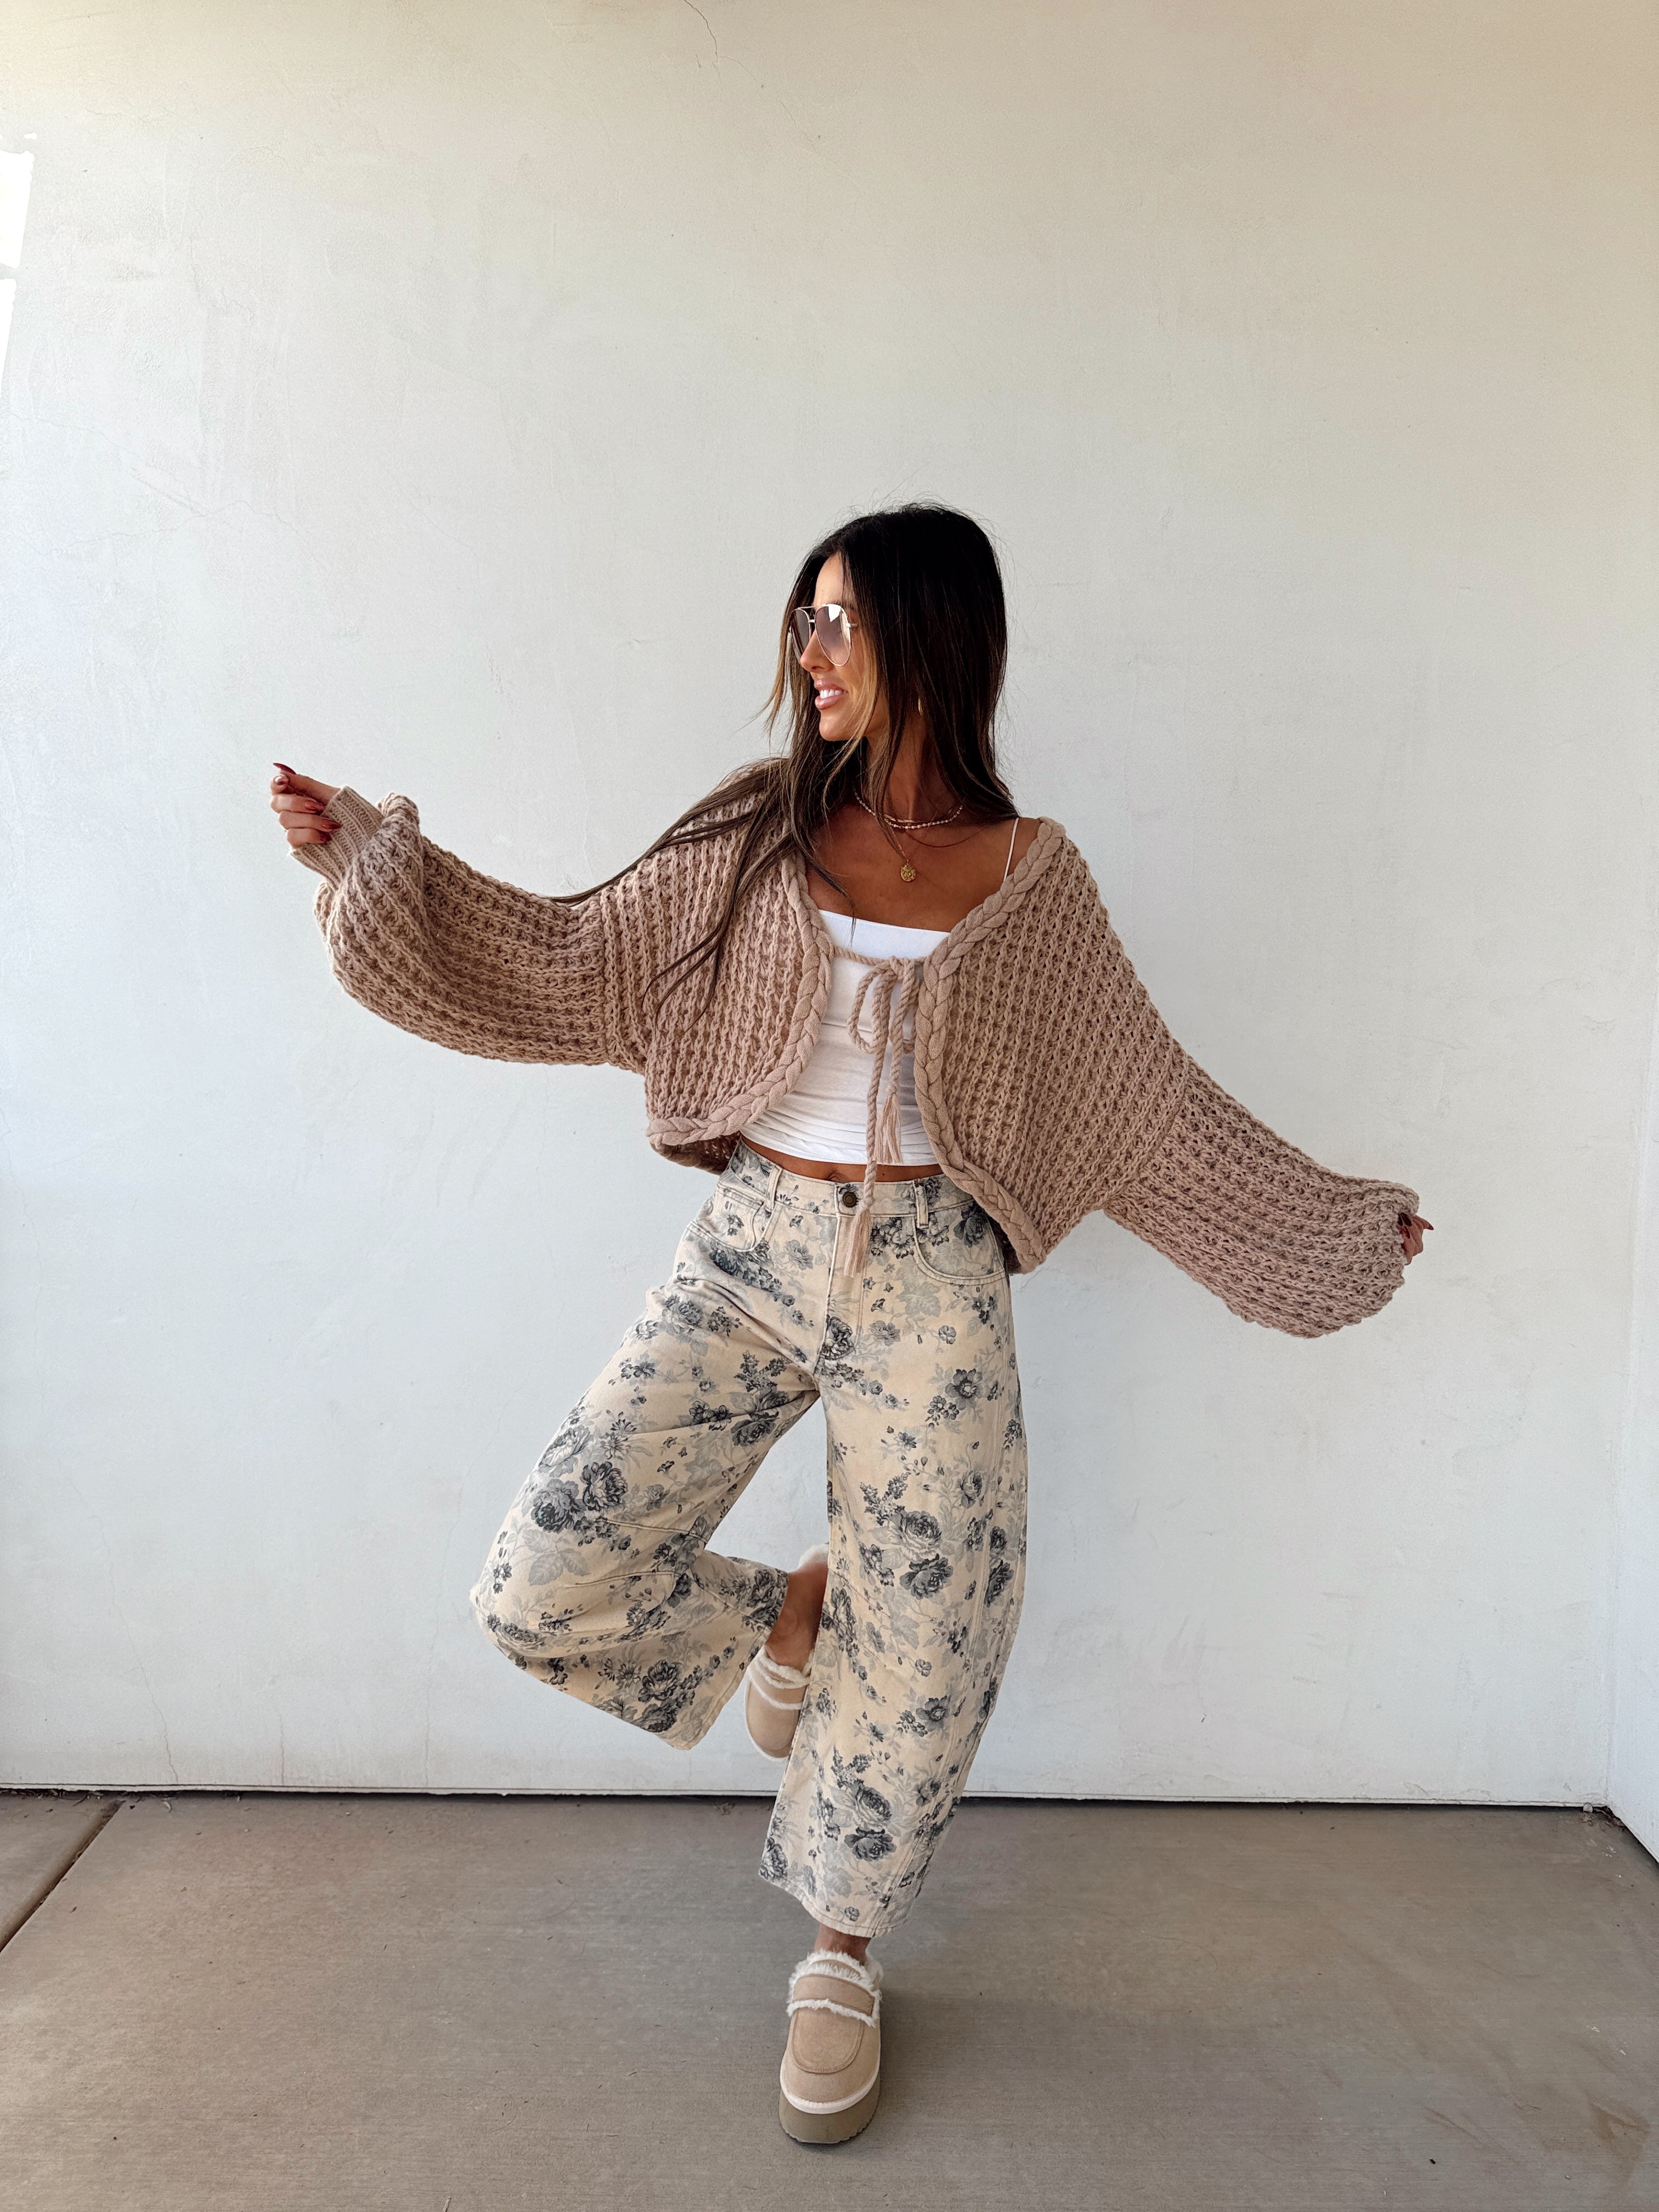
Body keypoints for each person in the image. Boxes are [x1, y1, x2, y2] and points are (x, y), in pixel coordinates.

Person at [269, 502, 1429, 2145]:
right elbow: (570, 956)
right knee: (544, 1582)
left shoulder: (1034, 882)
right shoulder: (758, 833)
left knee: (940, 1624)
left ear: (932, 635)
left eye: (839, 621)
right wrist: (373, 865)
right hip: (751, 1246)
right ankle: (788, 1620)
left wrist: (1326, 1224)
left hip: (934, 1271)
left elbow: (1148, 1107)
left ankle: (841, 1953)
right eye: (803, 621)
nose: (808, 653)